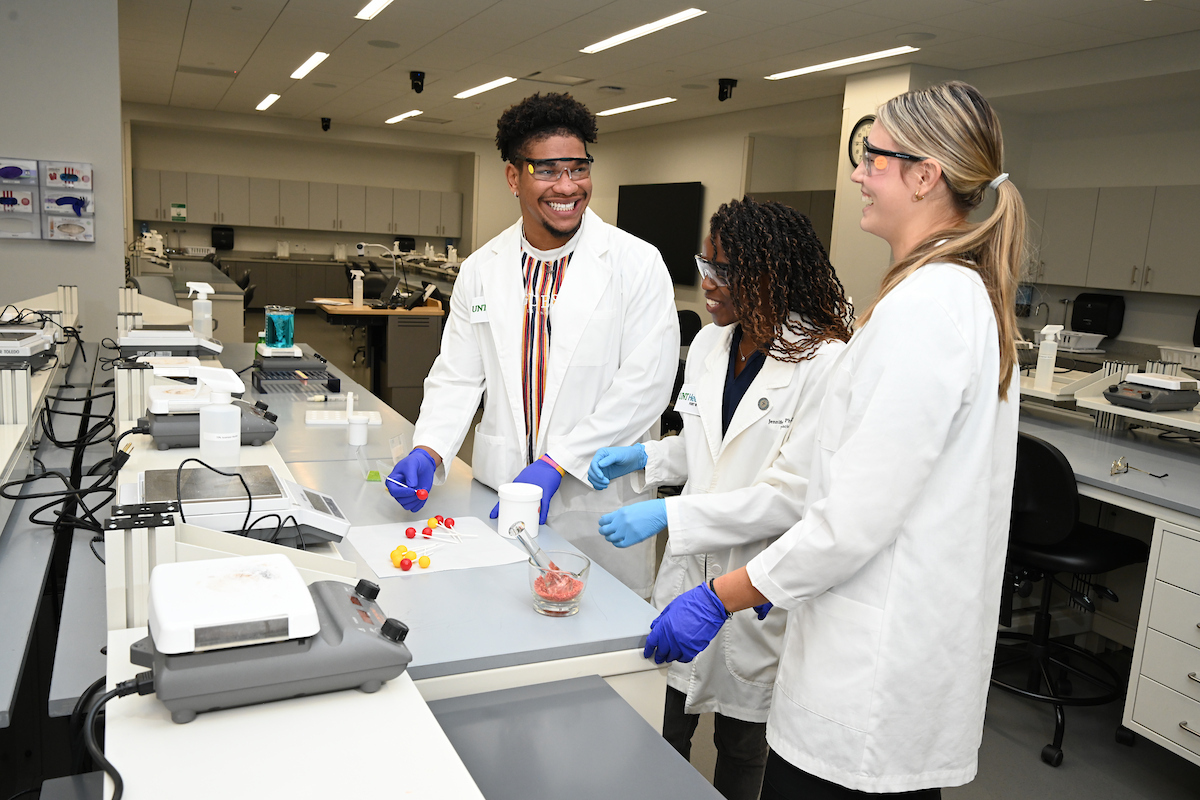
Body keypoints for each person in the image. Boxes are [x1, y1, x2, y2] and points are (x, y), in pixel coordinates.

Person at [642, 80, 1024, 798]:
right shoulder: (947, 296)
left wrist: (720, 595)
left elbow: (851, 520)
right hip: (880, 670)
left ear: (924, 174)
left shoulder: (927, 309)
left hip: (867, 687)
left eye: (871, 156)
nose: (856, 174)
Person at [588, 198, 853, 800]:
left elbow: (791, 497)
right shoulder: (710, 344)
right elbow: (706, 447)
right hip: (687, 578)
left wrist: (668, 513)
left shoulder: (823, 361)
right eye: (705, 262)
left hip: (757, 582)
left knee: (743, 747)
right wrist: (649, 458)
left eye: (727, 271)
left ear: (774, 275)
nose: (709, 281)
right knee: (662, 726)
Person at [386, 92, 679, 596]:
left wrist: (557, 462)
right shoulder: (483, 268)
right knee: (504, 617)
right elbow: (457, 373)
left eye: (578, 168)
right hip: (501, 488)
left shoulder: (637, 262)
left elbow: (646, 385)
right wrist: (430, 448)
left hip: (597, 500)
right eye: (547, 170)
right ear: (513, 176)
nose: (567, 186)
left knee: (601, 635)